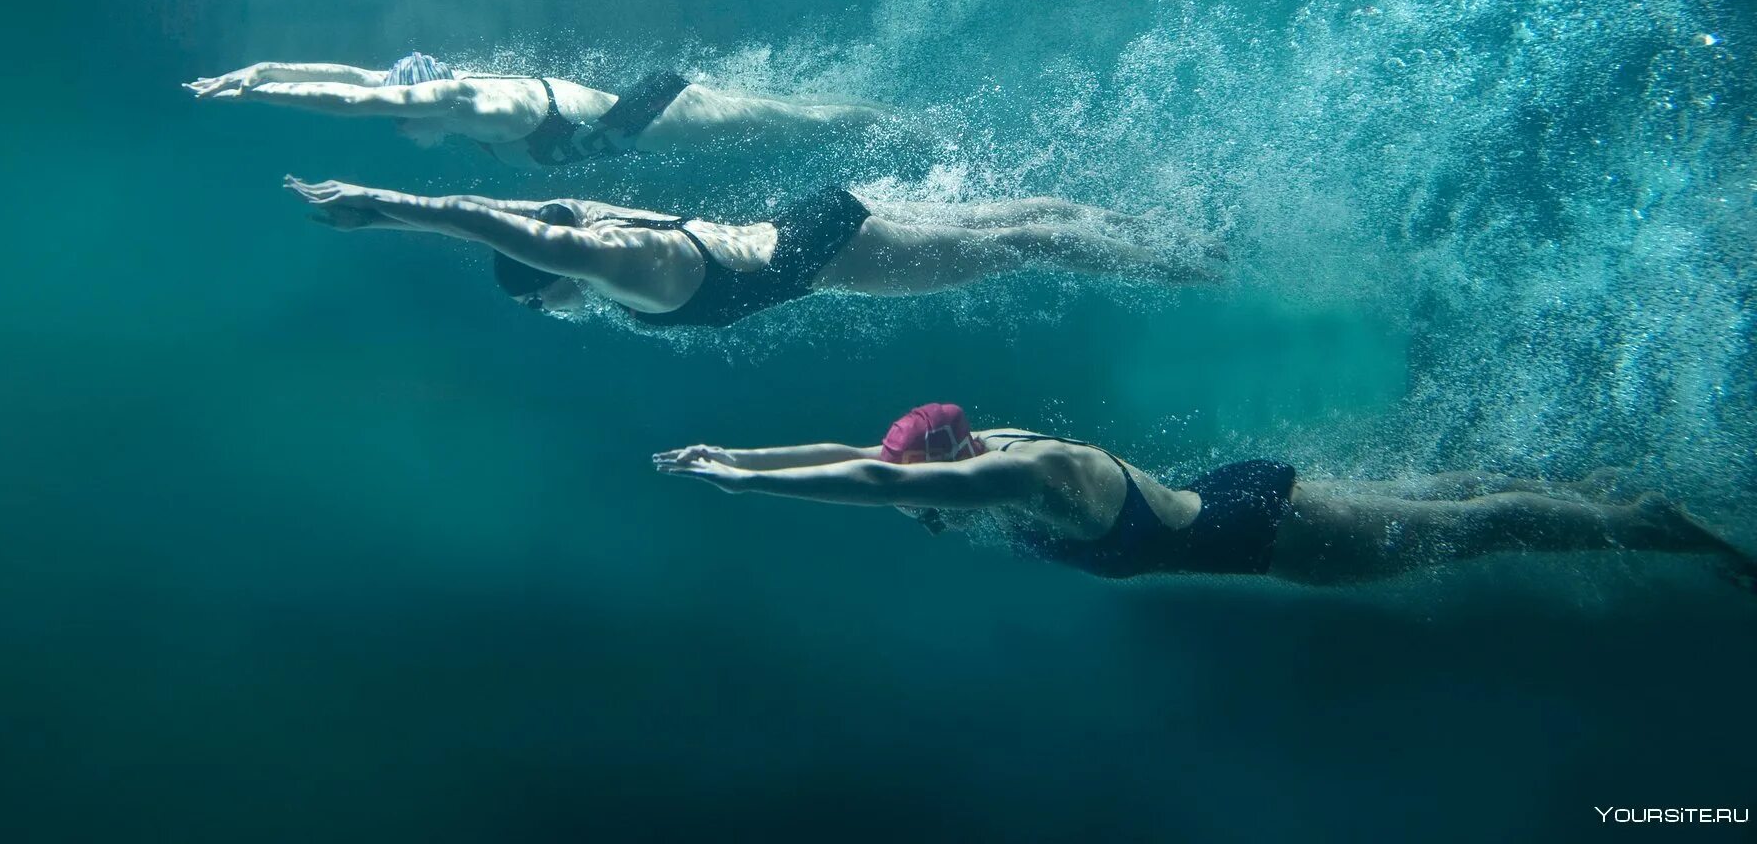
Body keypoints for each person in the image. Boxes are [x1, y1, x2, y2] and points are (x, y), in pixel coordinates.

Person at [654, 404, 1757, 586]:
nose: (924, 505)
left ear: (952, 466)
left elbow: (867, 476)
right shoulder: (978, 446)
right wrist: (743, 460)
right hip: (1232, 499)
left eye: (922, 495)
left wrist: (749, 490)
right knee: (1448, 499)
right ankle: (1601, 498)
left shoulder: (1025, 473)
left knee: (1476, 534)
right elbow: (870, 458)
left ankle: (1645, 526)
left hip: (1258, 530)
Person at [284, 178, 1226, 327]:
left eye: (541, 299)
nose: (552, 312)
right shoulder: (610, 228)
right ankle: (1156, 228)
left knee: (1025, 244)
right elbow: (535, 207)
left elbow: (501, 223)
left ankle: (1192, 263)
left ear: (556, 277)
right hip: (810, 220)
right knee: (1007, 218)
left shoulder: (612, 269)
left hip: (828, 254)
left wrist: (383, 209)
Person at [187, 52, 881, 166]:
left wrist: (261, 94)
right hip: (632, 129)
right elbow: (352, 78)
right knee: (778, 122)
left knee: (788, 123)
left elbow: (351, 100)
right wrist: (259, 68)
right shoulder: (447, 102)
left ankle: (883, 120)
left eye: (399, 112)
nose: (396, 126)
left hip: (661, 120)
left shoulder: (466, 102)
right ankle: (871, 117)